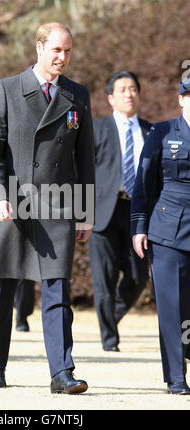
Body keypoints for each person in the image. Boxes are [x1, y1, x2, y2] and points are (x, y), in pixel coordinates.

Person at [0, 22, 95, 393]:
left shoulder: (78, 95)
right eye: (57, 50)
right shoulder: (8, 89)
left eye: (68, 51)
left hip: (60, 206)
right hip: (14, 201)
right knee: (4, 285)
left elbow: (85, 159)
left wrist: (86, 212)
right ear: (39, 48)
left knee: (58, 290)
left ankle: (61, 373)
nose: (63, 58)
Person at [131, 80, 190, 395]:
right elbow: (144, 180)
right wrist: (139, 225)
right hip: (169, 227)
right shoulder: (163, 132)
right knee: (172, 305)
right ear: (182, 99)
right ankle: (176, 376)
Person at [88, 71, 151, 351]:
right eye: (123, 89)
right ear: (111, 98)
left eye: (134, 89)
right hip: (103, 212)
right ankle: (109, 339)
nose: (130, 94)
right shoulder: (96, 130)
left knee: (138, 278)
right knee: (104, 279)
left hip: (138, 213)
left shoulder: (152, 132)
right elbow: (83, 172)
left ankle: (110, 318)